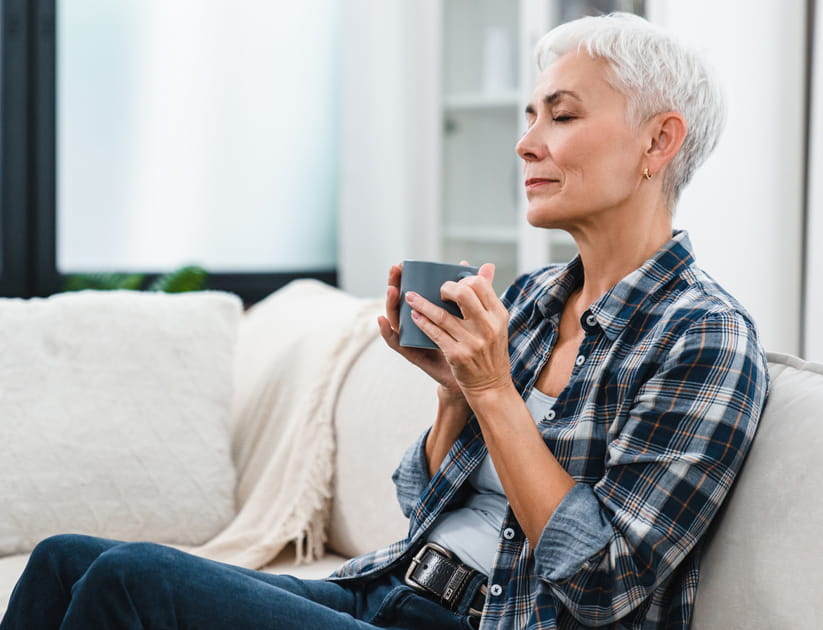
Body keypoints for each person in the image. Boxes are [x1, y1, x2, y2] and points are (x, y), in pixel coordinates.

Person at [0, 12, 768, 630]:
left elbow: (602, 585)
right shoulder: (533, 300)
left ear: (658, 141)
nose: (526, 142)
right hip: (387, 592)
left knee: (138, 582)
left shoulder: (703, 338)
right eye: (529, 115)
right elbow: (421, 506)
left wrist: (496, 392)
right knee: (65, 558)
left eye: (560, 116)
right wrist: (453, 396)